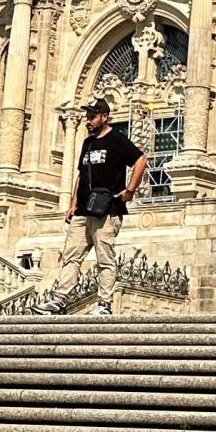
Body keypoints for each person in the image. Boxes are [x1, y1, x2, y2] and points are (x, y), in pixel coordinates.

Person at [54, 96, 148, 315]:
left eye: (93, 116)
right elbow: (81, 175)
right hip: (83, 210)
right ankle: (59, 299)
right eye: (87, 116)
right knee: (71, 254)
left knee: (104, 257)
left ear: (105, 117)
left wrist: (130, 191)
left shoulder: (117, 139)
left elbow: (141, 160)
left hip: (108, 209)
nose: (88, 120)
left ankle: (104, 303)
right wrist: (72, 204)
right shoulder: (87, 142)